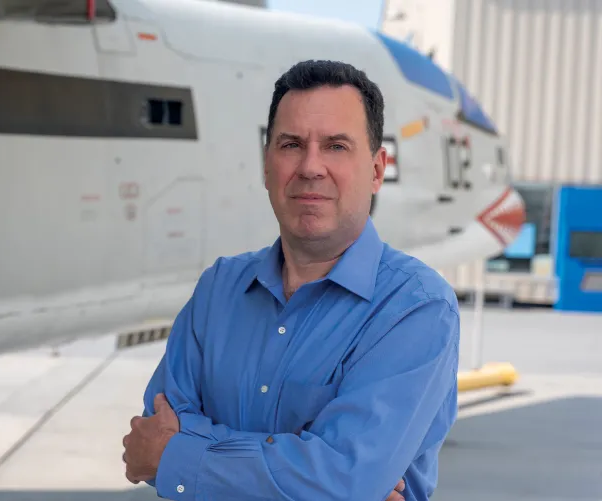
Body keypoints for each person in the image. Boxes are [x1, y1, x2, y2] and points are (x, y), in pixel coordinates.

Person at [122, 59, 460, 501]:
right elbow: (153, 430)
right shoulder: (219, 289)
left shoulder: (416, 308)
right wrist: (315, 471)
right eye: (291, 144)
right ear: (267, 166)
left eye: (336, 146)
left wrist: (180, 455)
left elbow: (344, 478)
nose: (310, 167)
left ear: (377, 170)